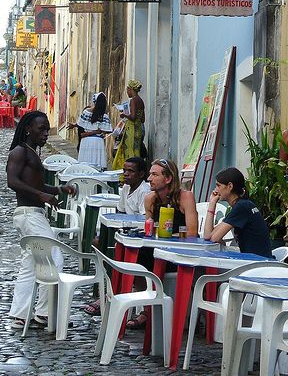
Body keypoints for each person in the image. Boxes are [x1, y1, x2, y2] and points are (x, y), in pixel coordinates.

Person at [6, 111, 76, 329]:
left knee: (30, 264)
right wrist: (41, 196)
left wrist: (58, 189)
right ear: (28, 129)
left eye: (47, 129)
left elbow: (35, 185)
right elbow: (12, 182)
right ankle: (44, 313)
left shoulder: (31, 152)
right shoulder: (19, 152)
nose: (46, 133)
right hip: (29, 215)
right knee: (54, 258)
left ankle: (20, 315)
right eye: (41, 129)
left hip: (32, 214)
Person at [126, 158, 198, 329]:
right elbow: (149, 228)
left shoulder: (185, 197)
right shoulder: (150, 199)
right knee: (136, 257)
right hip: (156, 252)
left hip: (180, 254)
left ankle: (160, 310)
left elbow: (193, 232)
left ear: (168, 178)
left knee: (145, 257)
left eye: (154, 175)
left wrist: (168, 235)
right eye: (150, 174)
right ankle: (147, 308)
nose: (149, 179)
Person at [83, 156, 151, 317]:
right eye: (125, 171)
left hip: (138, 237)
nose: (126, 174)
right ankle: (107, 289)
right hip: (125, 233)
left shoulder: (144, 191)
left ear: (141, 174)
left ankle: (110, 295)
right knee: (99, 243)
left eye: (130, 171)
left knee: (115, 255)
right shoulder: (126, 189)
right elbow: (120, 212)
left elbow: (144, 219)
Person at [204, 167, 272, 258]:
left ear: (230, 186)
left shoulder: (241, 207)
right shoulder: (244, 205)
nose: (216, 190)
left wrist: (212, 204)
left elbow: (213, 238)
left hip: (257, 264)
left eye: (218, 185)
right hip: (257, 259)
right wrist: (212, 203)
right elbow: (208, 235)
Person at [112, 80, 145, 171]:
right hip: (138, 128)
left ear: (131, 89)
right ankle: (138, 170)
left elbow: (133, 117)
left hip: (131, 128)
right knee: (136, 150)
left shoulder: (133, 100)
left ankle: (131, 171)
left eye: (127, 90)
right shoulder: (141, 101)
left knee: (129, 151)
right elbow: (143, 119)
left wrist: (124, 114)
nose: (127, 92)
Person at [76, 92, 112, 169]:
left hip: (86, 141)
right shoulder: (104, 116)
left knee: (85, 165)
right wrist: (98, 132)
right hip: (98, 142)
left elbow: (80, 126)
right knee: (98, 164)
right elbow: (108, 130)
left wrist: (93, 131)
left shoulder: (86, 112)